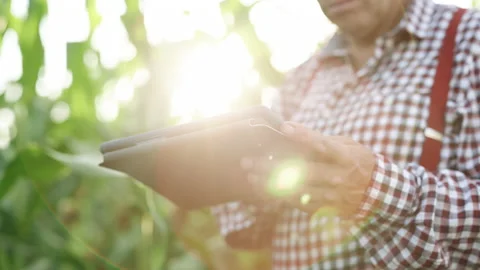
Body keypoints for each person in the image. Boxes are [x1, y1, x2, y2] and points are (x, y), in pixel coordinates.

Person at [211, 0, 480, 269]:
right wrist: (249, 181)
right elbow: (250, 234)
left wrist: (376, 189)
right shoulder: (302, 79)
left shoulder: (470, 38)